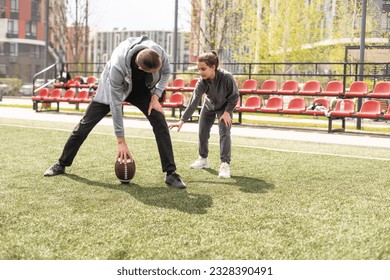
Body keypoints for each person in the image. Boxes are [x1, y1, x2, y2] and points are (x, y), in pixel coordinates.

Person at [44, 35, 186, 189]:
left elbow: (166, 72)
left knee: (159, 121)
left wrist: (155, 96)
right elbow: (116, 105)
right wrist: (121, 141)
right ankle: (61, 163)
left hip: (142, 90)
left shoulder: (157, 52)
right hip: (114, 88)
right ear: (140, 68)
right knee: (84, 126)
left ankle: (171, 173)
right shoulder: (117, 66)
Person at [169, 51, 239, 179]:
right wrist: (182, 120)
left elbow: (234, 96)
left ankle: (225, 164)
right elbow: (193, 102)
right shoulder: (201, 82)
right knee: (202, 132)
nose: (200, 72)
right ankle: (203, 159)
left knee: (224, 133)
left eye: (203, 69)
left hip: (224, 108)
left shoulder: (227, 77)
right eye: (198, 69)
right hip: (209, 106)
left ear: (213, 67)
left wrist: (227, 112)